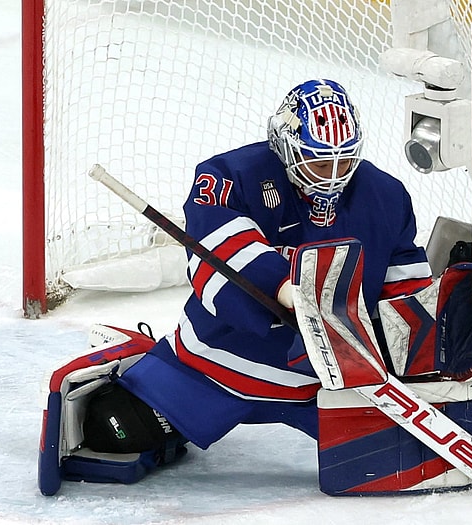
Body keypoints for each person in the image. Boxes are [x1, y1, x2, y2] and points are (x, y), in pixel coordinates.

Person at [75, 78, 434, 465]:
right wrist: (284, 289)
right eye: (317, 160)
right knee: (115, 428)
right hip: (220, 365)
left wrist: (418, 348)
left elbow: (404, 288)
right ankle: (145, 364)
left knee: (401, 456)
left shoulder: (386, 194)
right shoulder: (229, 176)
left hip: (334, 381)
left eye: (343, 160)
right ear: (284, 144)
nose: (331, 174)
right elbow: (220, 245)